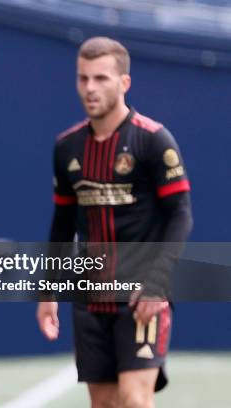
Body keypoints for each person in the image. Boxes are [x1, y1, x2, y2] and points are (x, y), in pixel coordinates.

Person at [37, 37, 193, 408]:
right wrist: (47, 291)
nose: (90, 88)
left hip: (141, 296)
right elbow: (62, 222)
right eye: (83, 78)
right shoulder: (67, 148)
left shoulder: (154, 141)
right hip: (90, 298)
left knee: (135, 401)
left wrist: (158, 283)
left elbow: (181, 214)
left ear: (124, 83)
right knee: (104, 404)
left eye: (101, 78)